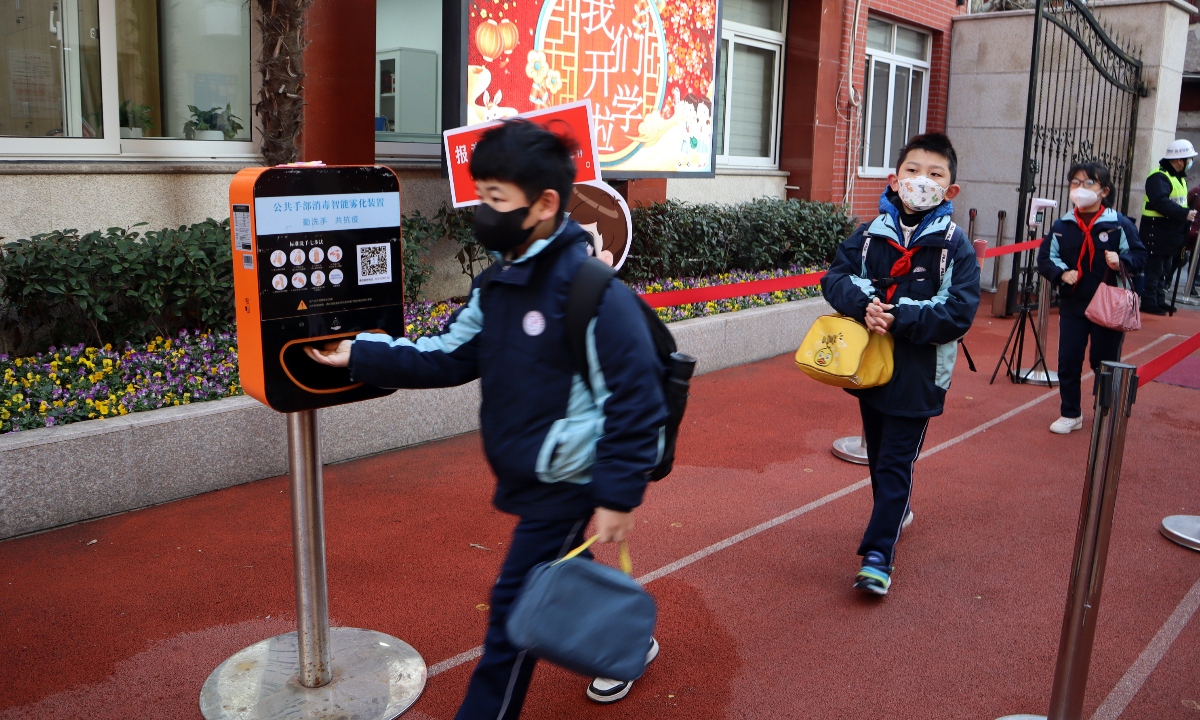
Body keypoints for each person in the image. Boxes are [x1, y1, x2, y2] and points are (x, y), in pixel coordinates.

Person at [306, 119, 668, 715]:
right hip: (531, 470)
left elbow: (638, 400)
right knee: (555, 574)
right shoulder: (499, 282)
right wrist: (361, 354)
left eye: (496, 199)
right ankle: (629, 635)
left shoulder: (592, 291)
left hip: (566, 477)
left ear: (545, 203)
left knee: (513, 617)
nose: (483, 211)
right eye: (481, 195)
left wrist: (616, 496)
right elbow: (451, 355)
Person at [821, 133, 981, 596]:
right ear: (895, 179)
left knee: (894, 459)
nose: (922, 182)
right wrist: (863, 304)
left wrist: (901, 315)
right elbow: (835, 277)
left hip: (919, 372)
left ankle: (878, 555)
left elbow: (959, 311)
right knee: (878, 453)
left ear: (950, 190)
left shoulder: (955, 245)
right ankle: (898, 508)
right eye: (913, 171)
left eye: (935, 174)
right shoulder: (871, 234)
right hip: (870, 366)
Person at [1037, 162, 1146, 434]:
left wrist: (1120, 260)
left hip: (1108, 304)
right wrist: (1062, 274)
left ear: (1104, 190)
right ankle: (1070, 413)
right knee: (1068, 359)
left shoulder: (1119, 225)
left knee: (1103, 359)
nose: (1080, 189)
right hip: (1074, 303)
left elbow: (1140, 256)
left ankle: (1106, 411)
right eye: (1075, 183)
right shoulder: (1063, 225)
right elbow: (1045, 258)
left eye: (1088, 184)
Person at [1139, 139, 1197, 315]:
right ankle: (1149, 301)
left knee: (1165, 267)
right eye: (1189, 159)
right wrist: (1184, 213)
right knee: (1155, 268)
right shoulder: (1158, 176)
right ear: (1180, 160)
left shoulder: (1178, 178)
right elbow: (1160, 202)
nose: (1190, 163)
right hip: (1156, 229)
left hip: (1171, 231)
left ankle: (1159, 299)